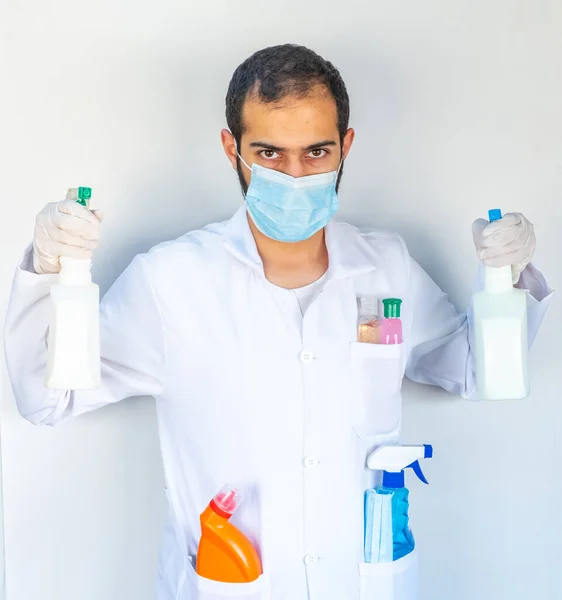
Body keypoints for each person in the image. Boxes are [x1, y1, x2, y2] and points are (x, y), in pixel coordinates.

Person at [4, 44, 552, 600]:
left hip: (362, 584)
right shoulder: (170, 283)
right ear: (231, 149)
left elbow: (478, 374)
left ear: (346, 147)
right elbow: (47, 400)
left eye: (316, 151)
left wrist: (506, 279)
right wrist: (47, 270)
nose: (294, 175)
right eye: (268, 152)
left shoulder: (386, 268)